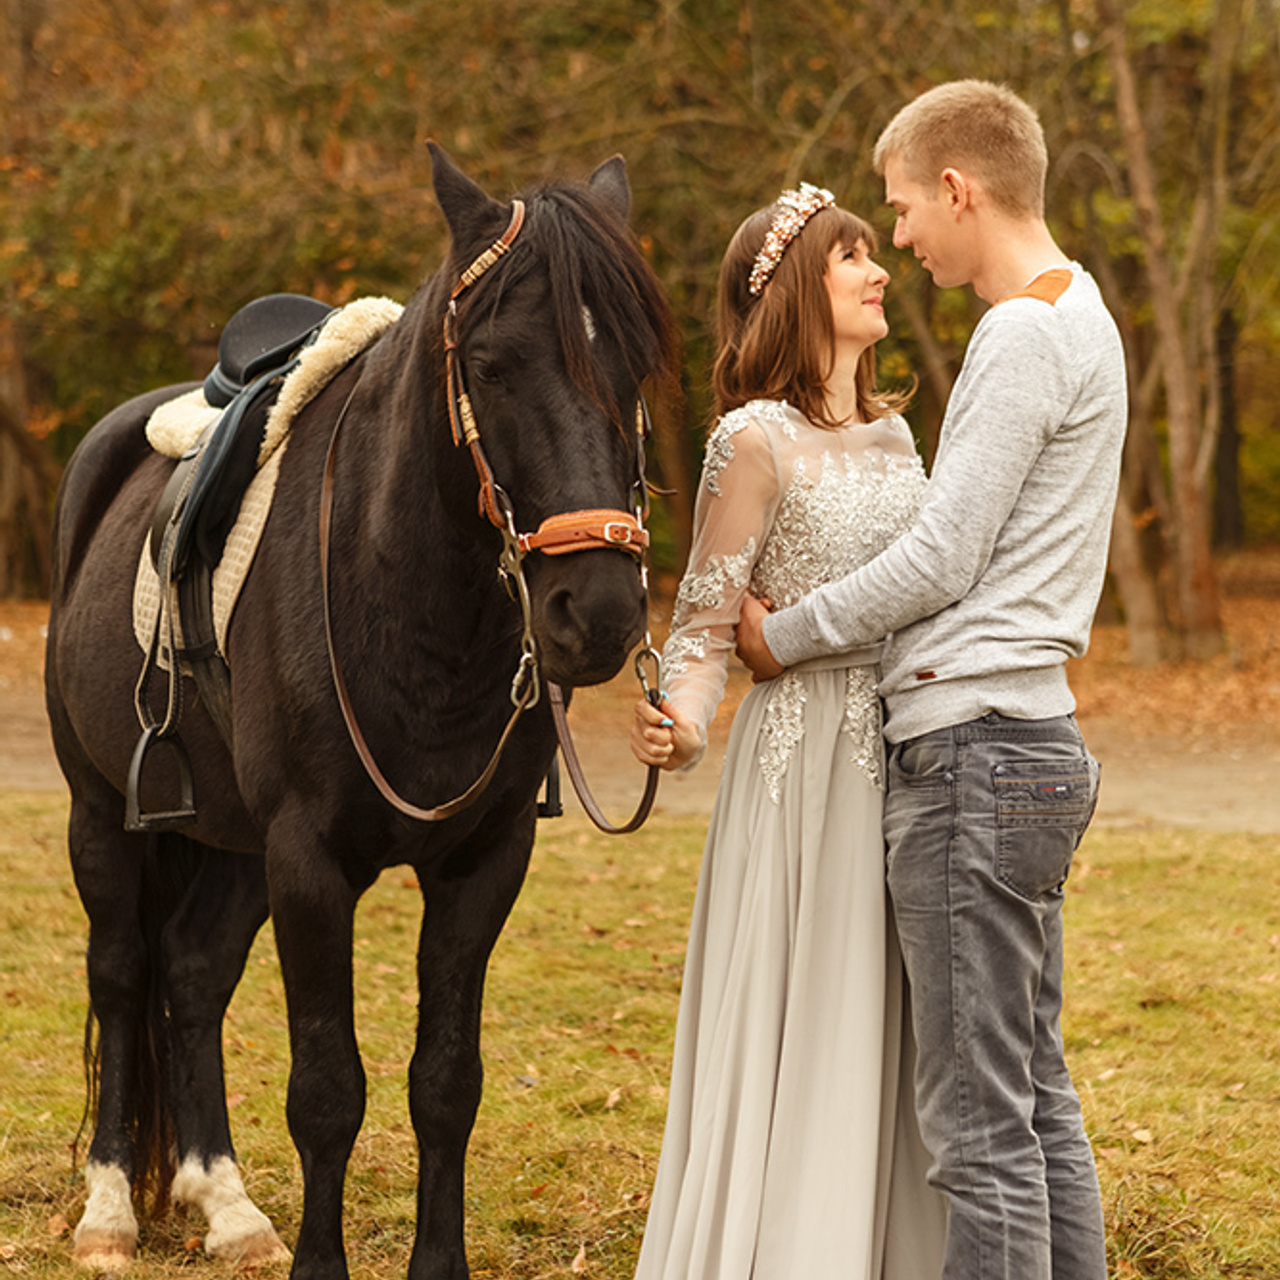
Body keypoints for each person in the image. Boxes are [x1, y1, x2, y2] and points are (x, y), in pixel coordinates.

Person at [736, 80, 1126, 1280]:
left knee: (972, 1127)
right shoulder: (1089, 313)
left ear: (958, 190)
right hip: (1035, 740)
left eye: (903, 207)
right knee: (1028, 1088)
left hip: (970, 749)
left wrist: (783, 632)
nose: (897, 236)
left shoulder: (1017, 331)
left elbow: (940, 554)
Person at [630, 182, 947, 1279]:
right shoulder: (748, 439)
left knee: (891, 1010)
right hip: (796, 764)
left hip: (905, 747)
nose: (876, 271)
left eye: (874, 252)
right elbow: (704, 623)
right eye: (849, 257)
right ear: (793, 292)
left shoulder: (898, 433)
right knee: (802, 1014)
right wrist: (678, 723)